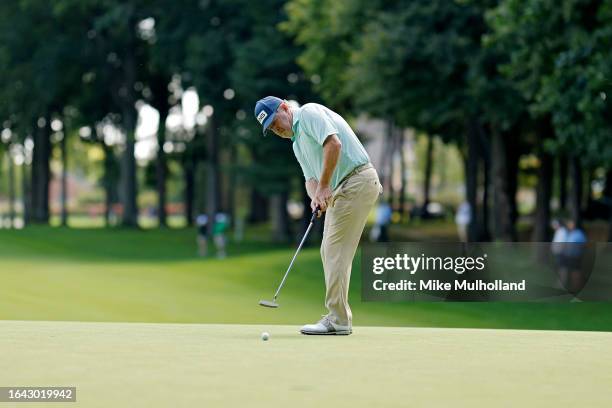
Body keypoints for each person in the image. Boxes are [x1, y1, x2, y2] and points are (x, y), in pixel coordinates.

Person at [254, 96, 382, 335]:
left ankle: (338, 320)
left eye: (275, 121)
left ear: (284, 107)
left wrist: (324, 187)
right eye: (270, 128)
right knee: (330, 250)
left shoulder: (309, 113)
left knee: (333, 250)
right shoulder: (296, 144)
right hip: (344, 188)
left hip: (356, 180)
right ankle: (338, 317)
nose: (277, 129)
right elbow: (311, 180)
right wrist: (316, 196)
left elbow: (333, 144)